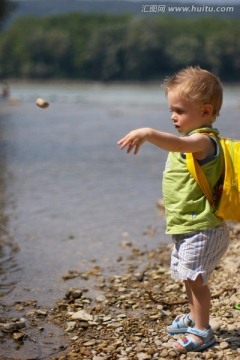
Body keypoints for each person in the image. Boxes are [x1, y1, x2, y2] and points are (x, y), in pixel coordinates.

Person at [118, 66, 229, 353]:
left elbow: (178, 143)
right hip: (186, 226)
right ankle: (194, 318)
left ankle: (203, 331)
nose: (172, 116)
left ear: (206, 112)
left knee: (196, 279)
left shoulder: (203, 141)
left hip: (203, 228)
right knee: (186, 276)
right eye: (171, 109)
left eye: (179, 110)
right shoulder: (193, 141)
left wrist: (148, 133)